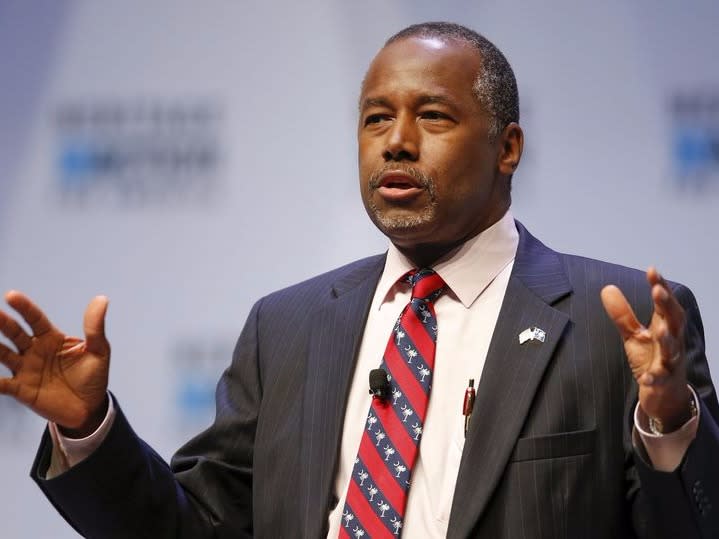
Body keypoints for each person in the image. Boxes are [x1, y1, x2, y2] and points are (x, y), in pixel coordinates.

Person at [1, 22, 717, 538]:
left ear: (507, 147)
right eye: (376, 118)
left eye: (431, 115)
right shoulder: (287, 328)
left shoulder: (606, 324)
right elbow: (198, 525)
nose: (396, 141)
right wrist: (87, 427)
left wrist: (666, 424)